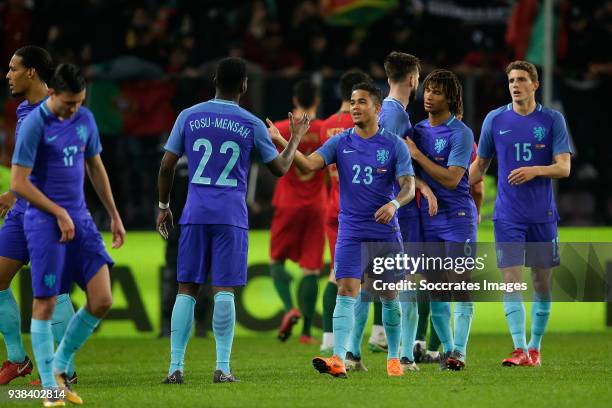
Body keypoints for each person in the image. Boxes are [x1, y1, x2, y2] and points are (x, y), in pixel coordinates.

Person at [157, 57, 311, 385]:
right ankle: (222, 368)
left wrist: (163, 205)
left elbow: (167, 165)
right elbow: (281, 168)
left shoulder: (188, 116)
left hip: (195, 214)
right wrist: (296, 138)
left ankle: (175, 368)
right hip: (230, 215)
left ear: (214, 80)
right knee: (223, 288)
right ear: (243, 85)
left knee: (187, 288)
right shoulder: (251, 123)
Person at [275, 82, 416, 378]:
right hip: (350, 229)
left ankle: (393, 358)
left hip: (385, 230)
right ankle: (338, 359)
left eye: (361, 102)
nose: (354, 107)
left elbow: (409, 187)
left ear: (377, 108)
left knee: (388, 295)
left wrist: (394, 204)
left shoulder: (393, 144)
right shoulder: (340, 142)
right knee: (346, 289)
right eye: (352, 101)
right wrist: (291, 139)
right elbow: (308, 165)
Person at [11, 63, 125, 406]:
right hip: (44, 221)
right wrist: (58, 211)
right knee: (45, 302)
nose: (73, 110)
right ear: (51, 94)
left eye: (79, 102)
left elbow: (95, 166)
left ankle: (59, 366)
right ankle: (49, 388)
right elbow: (18, 183)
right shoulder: (33, 125)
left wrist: (114, 214)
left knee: (102, 299)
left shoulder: (85, 119)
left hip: (81, 218)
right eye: (67, 104)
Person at [469, 60, 571, 367]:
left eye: (522, 79)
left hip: (542, 215)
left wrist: (535, 171)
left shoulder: (552, 120)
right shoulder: (495, 119)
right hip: (508, 215)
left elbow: (564, 167)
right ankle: (518, 349)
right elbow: (481, 166)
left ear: (535, 85)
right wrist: (450, 186)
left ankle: (535, 348)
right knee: (511, 281)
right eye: (511, 79)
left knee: (541, 284)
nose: (515, 84)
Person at [344, 51, 433, 373]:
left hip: (377, 210)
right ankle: (404, 356)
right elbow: (389, 164)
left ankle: (353, 354)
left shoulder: (392, 113)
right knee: (401, 284)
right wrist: (418, 188)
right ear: (412, 79)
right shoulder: (395, 117)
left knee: (371, 286)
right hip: (392, 213)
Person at [0, 46, 75, 387]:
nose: (8, 74)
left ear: (31, 72)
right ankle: (18, 360)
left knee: (52, 290)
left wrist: (13, 192)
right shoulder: (23, 109)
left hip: (47, 211)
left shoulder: (56, 108)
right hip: (21, 213)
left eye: (14, 69)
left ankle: (64, 370)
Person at [405, 69, 477, 371]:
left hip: (458, 216)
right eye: (428, 89)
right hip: (428, 217)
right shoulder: (418, 130)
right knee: (435, 288)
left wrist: (419, 156)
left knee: (460, 286)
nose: (429, 96)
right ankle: (448, 352)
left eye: (436, 91)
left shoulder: (460, 133)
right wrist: (422, 186)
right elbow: (409, 176)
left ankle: (459, 351)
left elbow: (452, 179)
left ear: (450, 96)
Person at [318, 69, 374, 356]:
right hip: (359, 210)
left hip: (333, 205)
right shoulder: (366, 127)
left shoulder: (326, 125)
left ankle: (329, 338)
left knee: (337, 273)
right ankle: (374, 336)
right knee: (373, 274)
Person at [269, 79, 325, 344]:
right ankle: (305, 333)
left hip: (288, 202)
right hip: (317, 205)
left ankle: (289, 307)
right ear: (316, 101)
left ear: (295, 100)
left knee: (276, 262)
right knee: (311, 270)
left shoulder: (281, 128)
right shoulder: (324, 130)